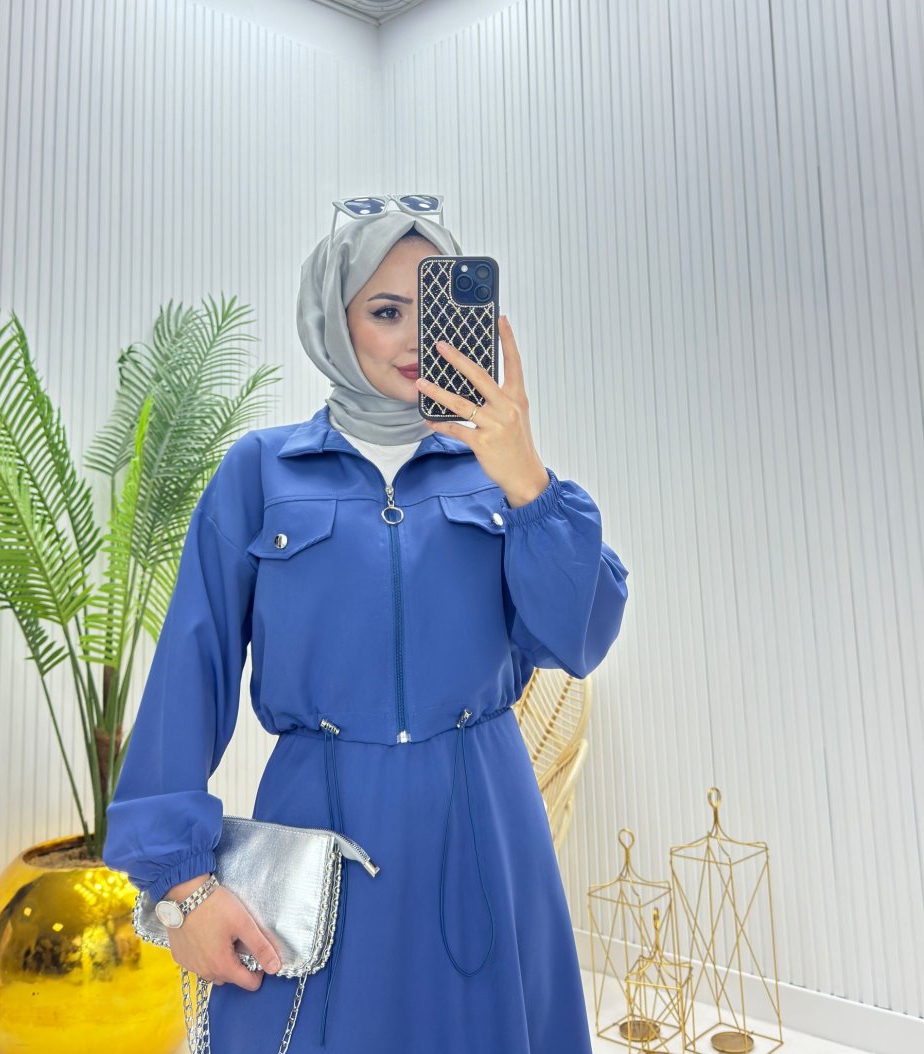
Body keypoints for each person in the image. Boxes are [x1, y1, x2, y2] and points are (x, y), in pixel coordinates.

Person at [102, 207, 630, 1053]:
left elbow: (581, 637)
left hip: (486, 823)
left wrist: (528, 479)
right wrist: (182, 886)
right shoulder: (261, 471)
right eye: (386, 311)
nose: (417, 336)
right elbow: (188, 675)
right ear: (333, 321)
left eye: (435, 309)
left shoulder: (500, 473)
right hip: (319, 830)